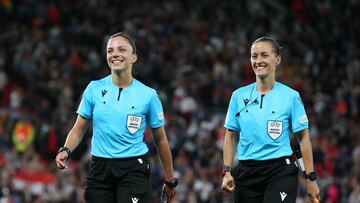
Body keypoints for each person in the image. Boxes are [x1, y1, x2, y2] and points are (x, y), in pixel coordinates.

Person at [55, 32, 178, 203]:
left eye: (121, 49)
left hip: (134, 168)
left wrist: (170, 179)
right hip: (99, 168)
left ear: (134, 57)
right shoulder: (93, 89)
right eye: (110, 50)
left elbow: (161, 140)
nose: (115, 54)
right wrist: (65, 150)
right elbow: (79, 129)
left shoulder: (149, 95)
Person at [221, 36, 320, 203]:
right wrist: (227, 172)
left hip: (280, 171)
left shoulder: (291, 97)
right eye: (254, 56)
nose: (258, 60)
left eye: (264, 55)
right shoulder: (238, 96)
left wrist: (310, 179)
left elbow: (303, 138)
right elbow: (230, 136)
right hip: (246, 173)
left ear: (277, 59)